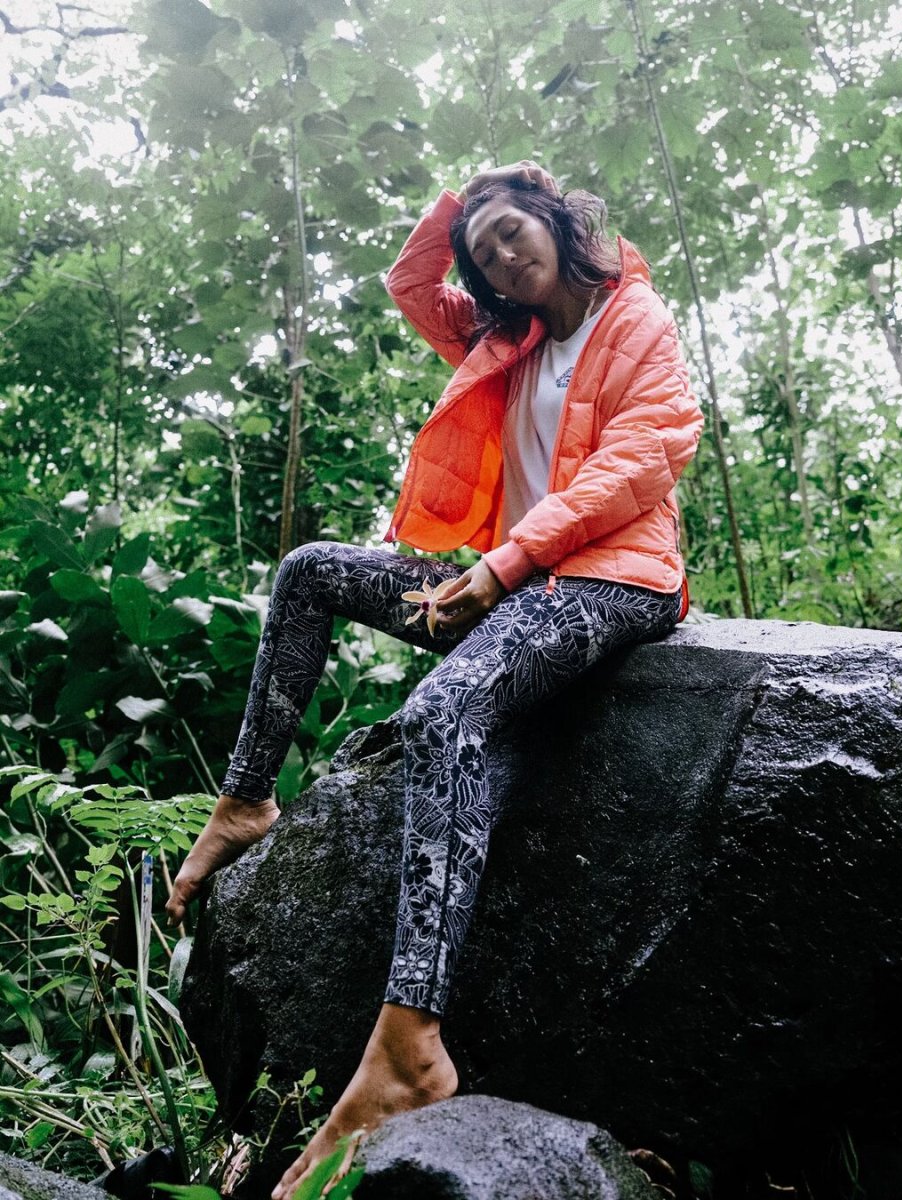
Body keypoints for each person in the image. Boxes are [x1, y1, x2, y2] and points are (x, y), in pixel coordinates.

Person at [165, 159, 704, 1198]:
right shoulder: (504, 336)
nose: (500, 255)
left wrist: (502, 567)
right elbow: (411, 283)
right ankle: (244, 800)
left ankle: (411, 1041)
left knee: (443, 709)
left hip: (612, 582)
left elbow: (641, 459)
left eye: (513, 230)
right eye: (484, 248)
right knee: (310, 572)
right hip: (512, 583)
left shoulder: (636, 319)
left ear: (555, 218)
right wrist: (470, 196)